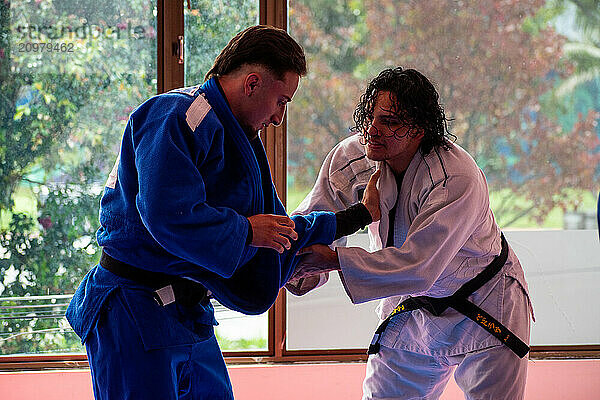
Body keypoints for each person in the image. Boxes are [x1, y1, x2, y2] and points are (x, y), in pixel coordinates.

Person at [66, 25, 380, 400]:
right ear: (252, 84)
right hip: (135, 308)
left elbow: (274, 227)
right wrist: (247, 233)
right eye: (282, 101)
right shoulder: (176, 115)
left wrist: (356, 217)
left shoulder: (238, 137)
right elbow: (167, 213)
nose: (279, 118)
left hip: (185, 310)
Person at [287, 67, 534, 400]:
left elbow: (418, 267)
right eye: (371, 117)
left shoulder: (455, 177)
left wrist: (331, 260)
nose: (373, 131)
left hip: (484, 304)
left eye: (390, 122)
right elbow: (314, 220)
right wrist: (295, 269)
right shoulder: (352, 158)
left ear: (419, 130)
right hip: (414, 311)